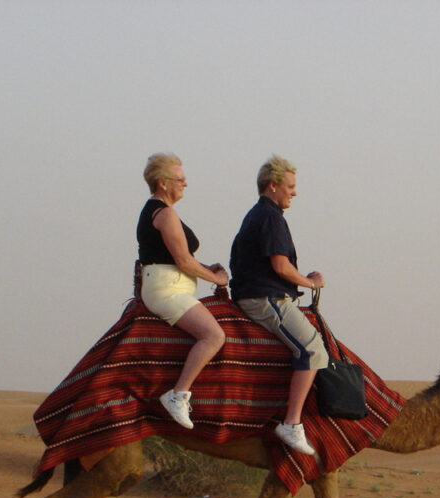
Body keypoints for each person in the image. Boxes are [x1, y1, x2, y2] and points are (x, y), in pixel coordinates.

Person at [228, 155, 327, 456]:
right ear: (273, 186)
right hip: (265, 298)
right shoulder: (271, 218)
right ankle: (291, 423)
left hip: (259, 292)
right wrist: (312, 283)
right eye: (290, 186)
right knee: (313, 349)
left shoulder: (256, 214)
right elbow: (281, 267)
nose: (294, 192)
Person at [138, 153, 229, 429]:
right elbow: (182, 261)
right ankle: (178, 394)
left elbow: (173, 257)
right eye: (181, 179)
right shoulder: (164, 213)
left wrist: (207, 268)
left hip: (169, 284)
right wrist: (215, 277)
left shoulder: (159, 210)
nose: (185, 184)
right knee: (214, 335)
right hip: (166, 290)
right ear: (163, 183)